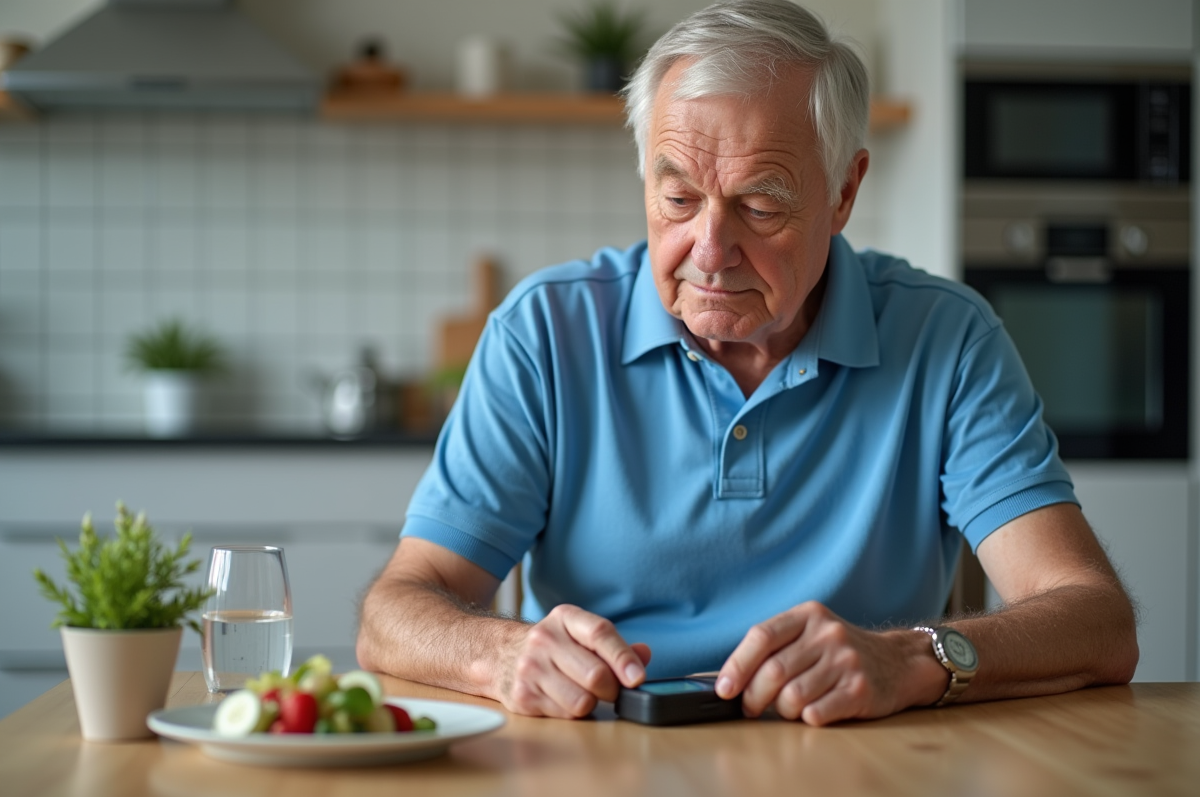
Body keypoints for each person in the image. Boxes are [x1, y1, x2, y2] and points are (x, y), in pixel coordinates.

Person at [357, 0, 1138, 726]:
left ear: (843, 193)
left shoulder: (946, 338)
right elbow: (394, 612)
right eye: (678, 200)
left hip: (856, 761)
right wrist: (501, 654)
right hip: (602, 759)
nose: (709, 250)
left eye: (760, 207)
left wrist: (913, 659)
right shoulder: (544, 332)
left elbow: (1097, 621)